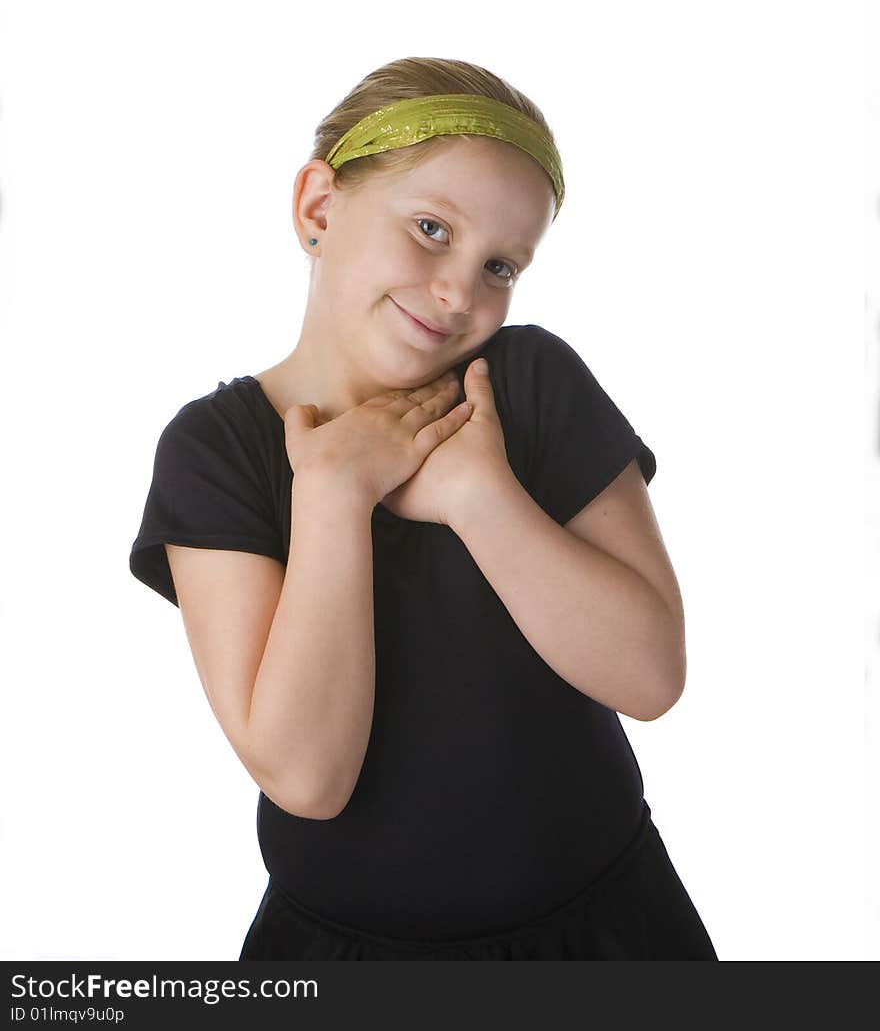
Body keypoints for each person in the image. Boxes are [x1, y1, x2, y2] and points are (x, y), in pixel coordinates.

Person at [129, 56, 719, 960]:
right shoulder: (217, 452)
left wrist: (480, 495)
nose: (460, 292)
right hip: (343, 953)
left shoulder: (527, 385)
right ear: (319, 210)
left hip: (608, 926)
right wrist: (332, 493)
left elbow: (651, 679)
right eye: (431, 228)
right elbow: (306, 775)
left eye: (501, 265)